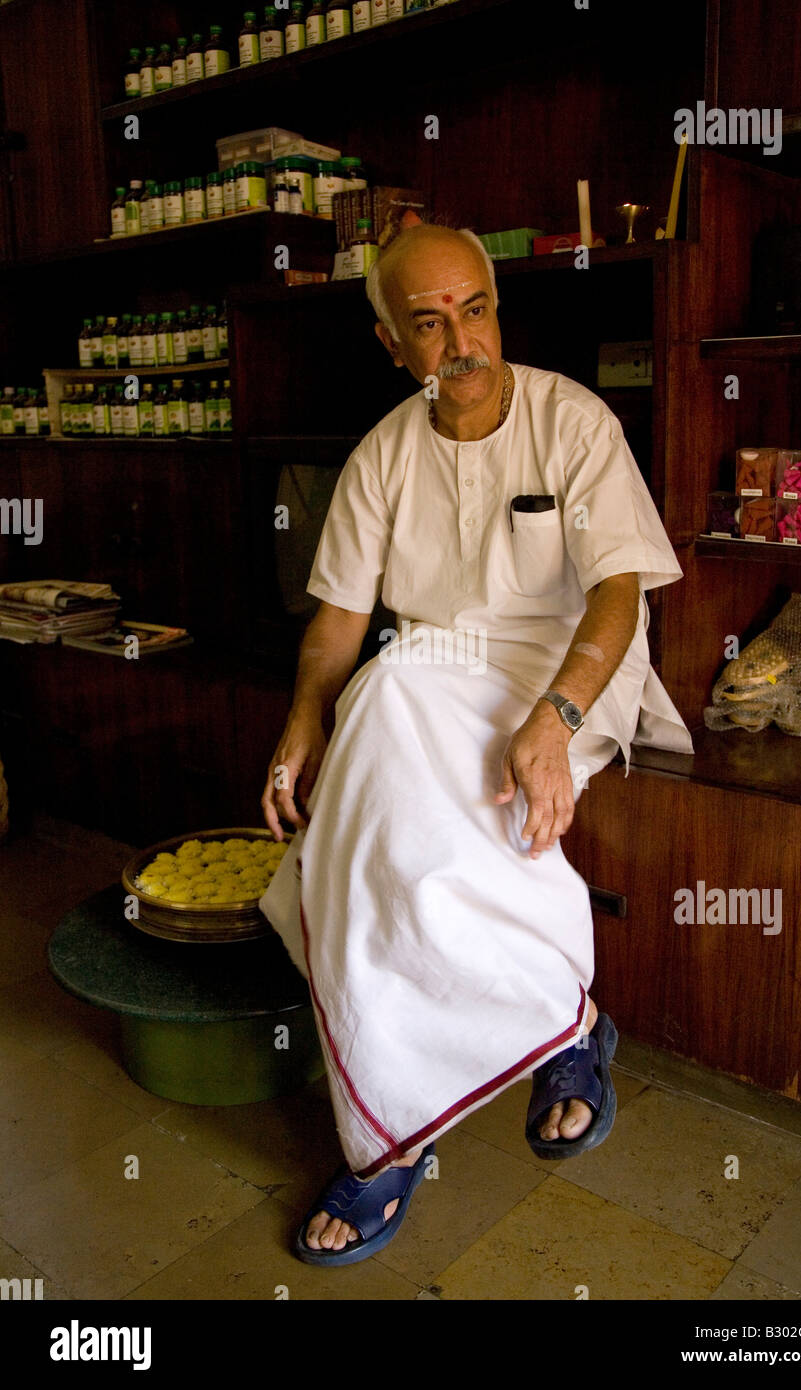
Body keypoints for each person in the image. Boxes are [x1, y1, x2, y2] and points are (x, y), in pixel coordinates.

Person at [259, 222, 693, 1266]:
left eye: (474, 308)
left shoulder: (572, 422)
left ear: (496, 311)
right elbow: (335, 624)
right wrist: (299, 721)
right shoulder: (381, 455)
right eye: (426, 321)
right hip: (431, 679)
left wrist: (555, 722)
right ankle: (546, 1034)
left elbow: (618, 595)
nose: (459, 338)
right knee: (375, 808)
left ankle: (403, 1134)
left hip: (571, 675)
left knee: (400, 764)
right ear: (389, 342)